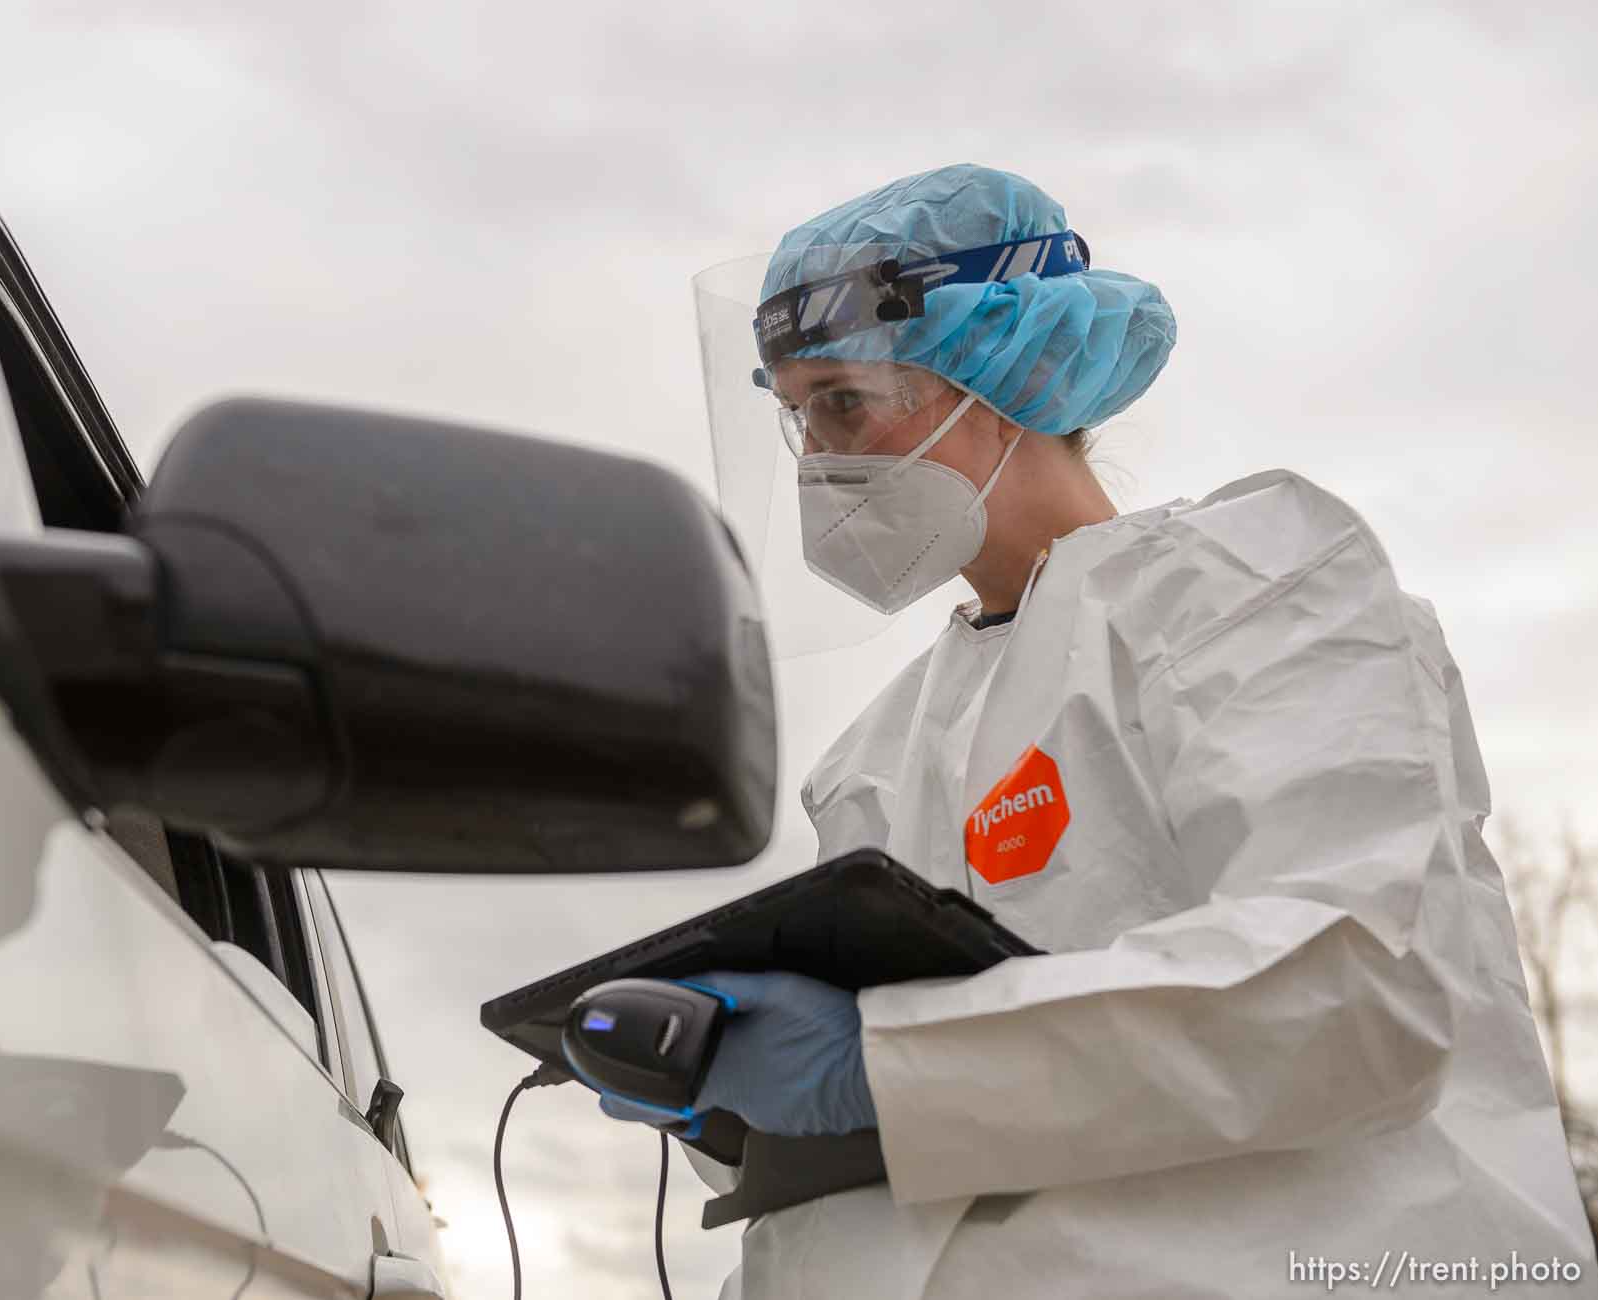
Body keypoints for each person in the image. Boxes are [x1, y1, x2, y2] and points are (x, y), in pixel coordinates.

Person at [603, 165, 1596, 1297]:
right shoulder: (876, 755)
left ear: (1008, 368)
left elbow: (1353, 989)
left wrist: (887, 1068)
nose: (821, 459)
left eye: (845, 399)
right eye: (794, 416)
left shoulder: (1256, 587)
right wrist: (730, 1107)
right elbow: (907, 1160)